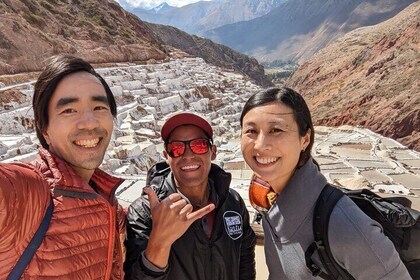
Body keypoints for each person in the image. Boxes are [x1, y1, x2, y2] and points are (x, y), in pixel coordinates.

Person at [240, 87, 411, 279]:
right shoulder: (269, 201)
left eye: (276, 130)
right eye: (251, 131)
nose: (261, 144)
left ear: (305, 139)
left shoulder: (345, 225)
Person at [0, 55, 126, 279]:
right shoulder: (25, 192)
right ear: (44, 129)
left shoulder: (112, 208)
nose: (89, 122)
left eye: (99, 107)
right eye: (69, 110)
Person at [124, 112, 256, 280]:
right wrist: (160, 242)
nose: (188, 155)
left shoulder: (232, 202)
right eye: (177, 148)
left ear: (213, 152)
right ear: (166, 157)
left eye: (199, 145)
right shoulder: (144, 211)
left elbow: (244, 259)